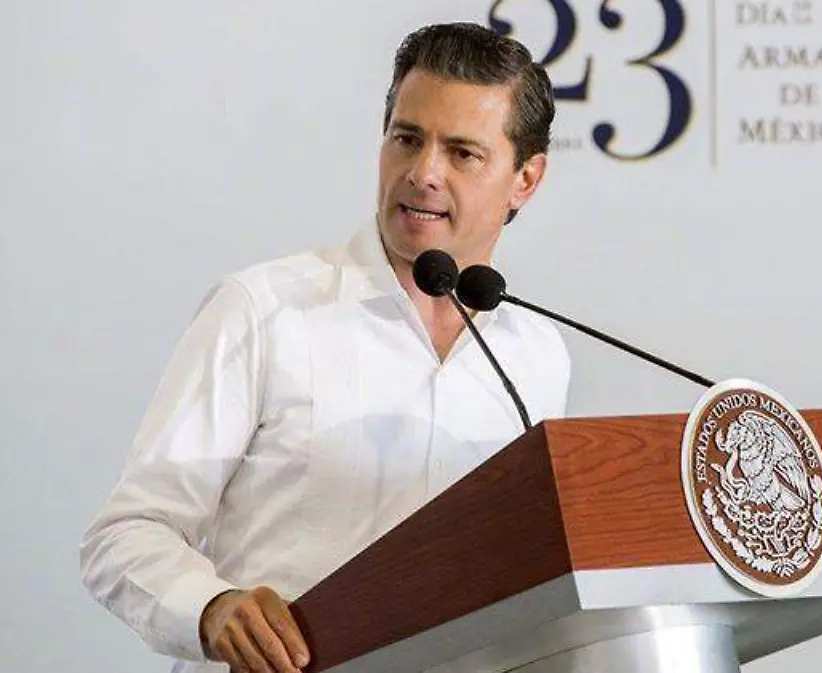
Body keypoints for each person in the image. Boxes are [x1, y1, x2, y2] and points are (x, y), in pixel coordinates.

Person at [79, 22, 571, 673]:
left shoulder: (537, 355)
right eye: (407, 139)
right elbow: (125, 534)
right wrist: (212, 607)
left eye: (462, 154)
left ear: (526, 179)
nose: (423, 173)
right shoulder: (265, 310)